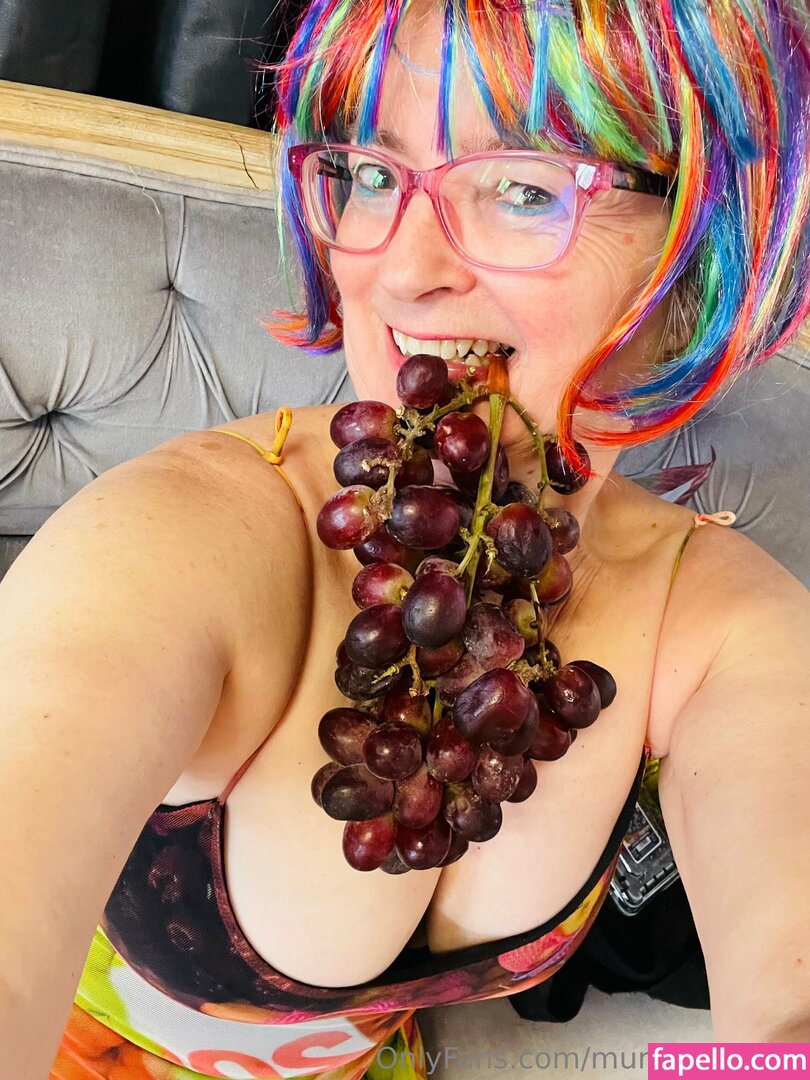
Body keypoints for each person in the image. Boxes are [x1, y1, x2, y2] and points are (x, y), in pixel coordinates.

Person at [2, 1, 808, 1077]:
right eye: (373, 175)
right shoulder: (186, 536)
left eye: (524, 188)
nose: (398, 271)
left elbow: (786, 1014)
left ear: (704, 243)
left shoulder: (717, 613)